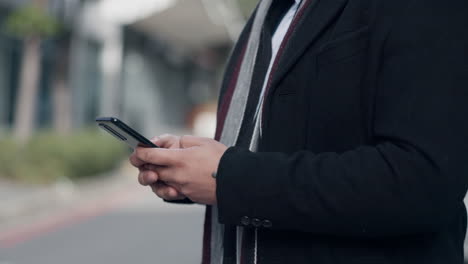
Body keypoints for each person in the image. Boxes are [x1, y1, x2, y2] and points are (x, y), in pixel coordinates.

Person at [129, 0, 468, 263]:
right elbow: (277, 144)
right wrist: (195, 169)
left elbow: (423, 181)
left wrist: (230, 179)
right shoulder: (270, 14)